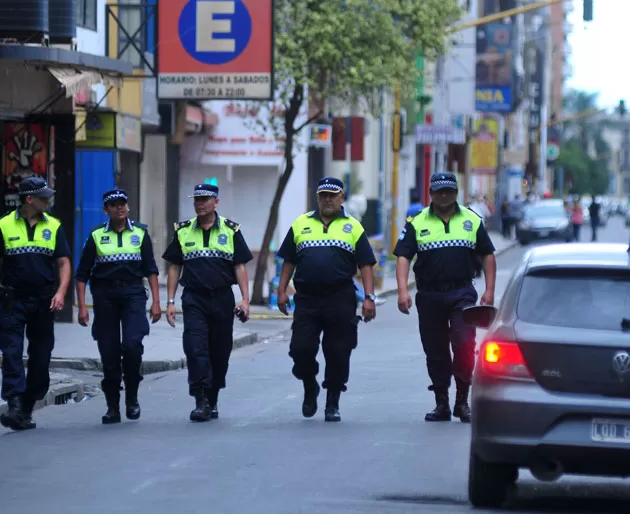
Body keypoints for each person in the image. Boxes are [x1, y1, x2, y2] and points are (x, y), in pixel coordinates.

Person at [394, 172, 496, 423]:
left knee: (463, 343)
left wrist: (490, 289)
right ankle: (442, 403)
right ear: (431, 193)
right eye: (439, 191)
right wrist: (403, 291)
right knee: (435, 349)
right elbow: (403, 256)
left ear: (456, 193)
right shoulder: (417, 222)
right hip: (429, 295)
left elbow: (488, 254)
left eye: (449, 191)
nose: (444, 195)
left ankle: (462, 401)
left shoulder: (472, 220)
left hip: (462, 292)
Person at [276, 177, 377, 422]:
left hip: (340, 298)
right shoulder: (301, 224)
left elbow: (365, 264)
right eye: (323, 195)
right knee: (300, 348)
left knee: (338, 352)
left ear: (342, 197)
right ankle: (310, 385)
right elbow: (288, 260)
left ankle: (333, 401)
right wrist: (281, 290)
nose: (328, 199)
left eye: (333, 195)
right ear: (318, 198)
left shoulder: (353, 227)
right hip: (307, 299)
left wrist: (369, 298)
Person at [0, 177, 72, 431]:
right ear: (29, 199)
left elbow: (64, 262)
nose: (48, 200)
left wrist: (61, 293)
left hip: (44, 301)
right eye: (43, 196)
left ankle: (27, 406)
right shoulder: (4, 225)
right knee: (11, 352)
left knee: (41, 357)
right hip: (12, 300)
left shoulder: (54, 226)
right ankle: (13, 403)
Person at [162, 183, 252, 422]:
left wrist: (245, 299)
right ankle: (200, 399)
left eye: (205, 199)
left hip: (222, 298)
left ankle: (212, 397)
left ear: (216, 202)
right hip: (194, 298)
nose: (200, 203)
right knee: (195, 347)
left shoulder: (231, 231)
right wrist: (170, 301)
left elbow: (240, 266)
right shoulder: (183, 231)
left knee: (220, 351)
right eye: (197, 199)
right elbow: (174, 266)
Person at [74, 189, 161, 424]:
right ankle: (112, 406)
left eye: (123, 203)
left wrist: (157, 303)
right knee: (109, 351)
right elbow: (81, 275)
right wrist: (82, 307)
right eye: (113, 205)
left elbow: (151, 269)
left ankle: (131, 397)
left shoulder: (140, 234)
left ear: (128, 207)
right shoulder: (95, 236)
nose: (119, 207)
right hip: (105, 297)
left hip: (133, 294)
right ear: (106, 210)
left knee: (132, 345)